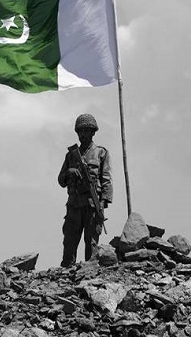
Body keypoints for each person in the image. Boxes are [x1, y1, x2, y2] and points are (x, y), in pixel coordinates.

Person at [57, 113, 112, 267]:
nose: (83, 134)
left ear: (93, 132)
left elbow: (106, 179)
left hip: (92, 205)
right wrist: (70, 172)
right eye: (80, 131)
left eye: (86, 131)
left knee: (92, 242)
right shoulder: (71, 156)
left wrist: (102, 203)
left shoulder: (101, 153)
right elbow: (61, 180)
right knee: (70, 240)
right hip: (74, 204)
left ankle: (90, 271)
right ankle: (66, 271)